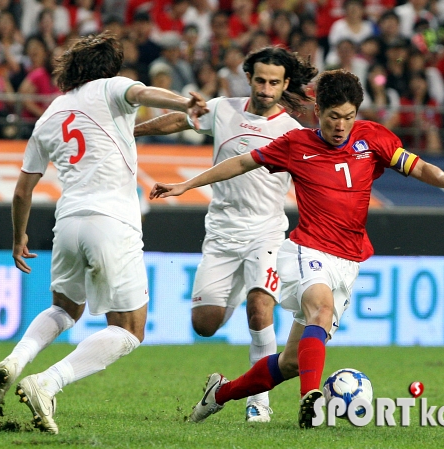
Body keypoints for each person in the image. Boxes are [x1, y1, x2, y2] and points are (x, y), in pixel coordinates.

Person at [148, 69, 444, 428]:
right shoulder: (296, 144)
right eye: (333, 117)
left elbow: (416, 165)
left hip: (348, 261)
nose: (341, 125)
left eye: (348, 117)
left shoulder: (372, 137)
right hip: (307, 250)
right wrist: (186, 185)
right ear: (319, 112)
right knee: (321, 309)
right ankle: (311, 399)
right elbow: (241, 162)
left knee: (290, 362)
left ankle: (219, 394)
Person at [0, 31, 207, 433]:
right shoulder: (111, 88)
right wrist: (185, 99)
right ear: (108, 68)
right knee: (129, 329)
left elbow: (22, 190)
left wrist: (19, 238)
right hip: (112, 220)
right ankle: (47, 382)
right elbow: (142, 93)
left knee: (64, 308)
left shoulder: (50, 114)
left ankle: (15, 361)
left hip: (67, 222)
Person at [134, 46, 318, 423]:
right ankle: (239, 302)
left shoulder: (293, 133)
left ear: (285, 85)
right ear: (248, 78)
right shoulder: (222, 109)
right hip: (221, 233)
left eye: (275, 83)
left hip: (266, 232)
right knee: (204, 324)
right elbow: (180, 121)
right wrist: (131, 131)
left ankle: (259, 402)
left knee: (259, 306)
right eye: (261, 80)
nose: (266, 89)